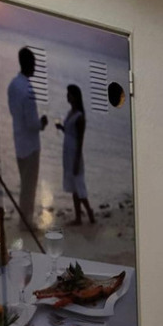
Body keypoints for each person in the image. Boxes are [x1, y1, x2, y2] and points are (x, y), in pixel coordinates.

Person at [6, 47, 47, 227]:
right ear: (28, 63)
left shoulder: (13, 85)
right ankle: (26, 222)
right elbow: (32, 123)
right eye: (34, 63)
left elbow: (14, 112)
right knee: (29, 186)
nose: (35, 67)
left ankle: (24, 220)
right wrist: (42, 123)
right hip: (30, 145)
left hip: (19, 140)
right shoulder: (27, 89)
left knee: (24, 183)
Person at [55, 84, 94, 225]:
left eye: (69, 94)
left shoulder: (79, 117)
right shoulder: (70, 112)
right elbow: (70, 133)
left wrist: (77, 159)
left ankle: (89, 211)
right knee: (73, 186)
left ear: (75, 97)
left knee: (79, 184)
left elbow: (80, 139)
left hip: (74, 153)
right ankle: (78, 217)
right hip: (68, 152)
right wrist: (62, 128)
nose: (67, 96)